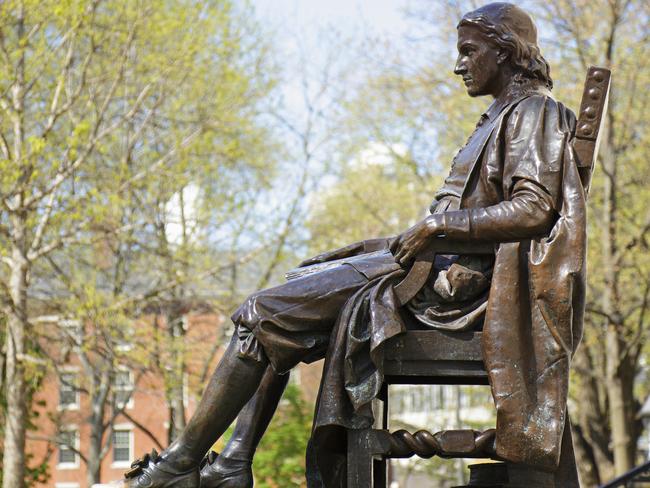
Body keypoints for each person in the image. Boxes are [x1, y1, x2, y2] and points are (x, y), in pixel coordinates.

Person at [112, 3, 586, 487]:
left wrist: (435, 229)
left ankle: (182, 465)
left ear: (504, 53)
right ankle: (232, 460)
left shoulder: (534, 112)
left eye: (469, 51)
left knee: (260, 313)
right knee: (296, 287)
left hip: (454, 291)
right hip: (430, 270)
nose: (458, 64)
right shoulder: (502, 114)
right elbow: (449, 222)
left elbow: (535, 208)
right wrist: (372, 245)